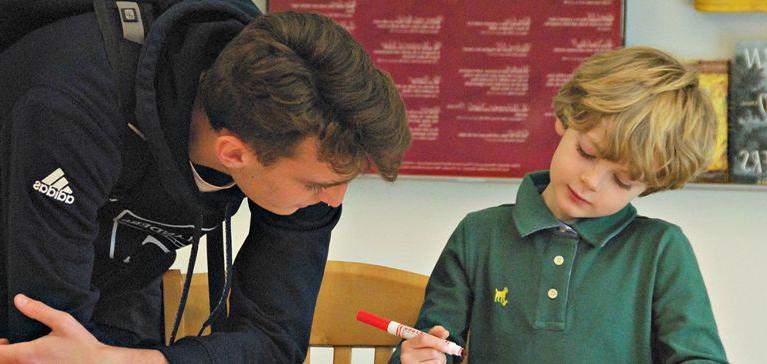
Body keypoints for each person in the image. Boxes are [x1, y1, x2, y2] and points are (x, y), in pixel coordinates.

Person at [0, 1, 410, 363]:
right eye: (317, 186)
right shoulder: (71, 111)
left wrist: (132, 360)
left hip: (117, 287)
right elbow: (43, 341)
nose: (334, 201)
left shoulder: (293, 130)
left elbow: (274, 339)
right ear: (233, 153)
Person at [389, 47, 728, 363]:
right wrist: (416, 355)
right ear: (566, 120)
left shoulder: (661, 250)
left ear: (651, 183)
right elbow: (433, 341)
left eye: (622, 180)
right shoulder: (479, 235)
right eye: (587, 153)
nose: (591, 182)